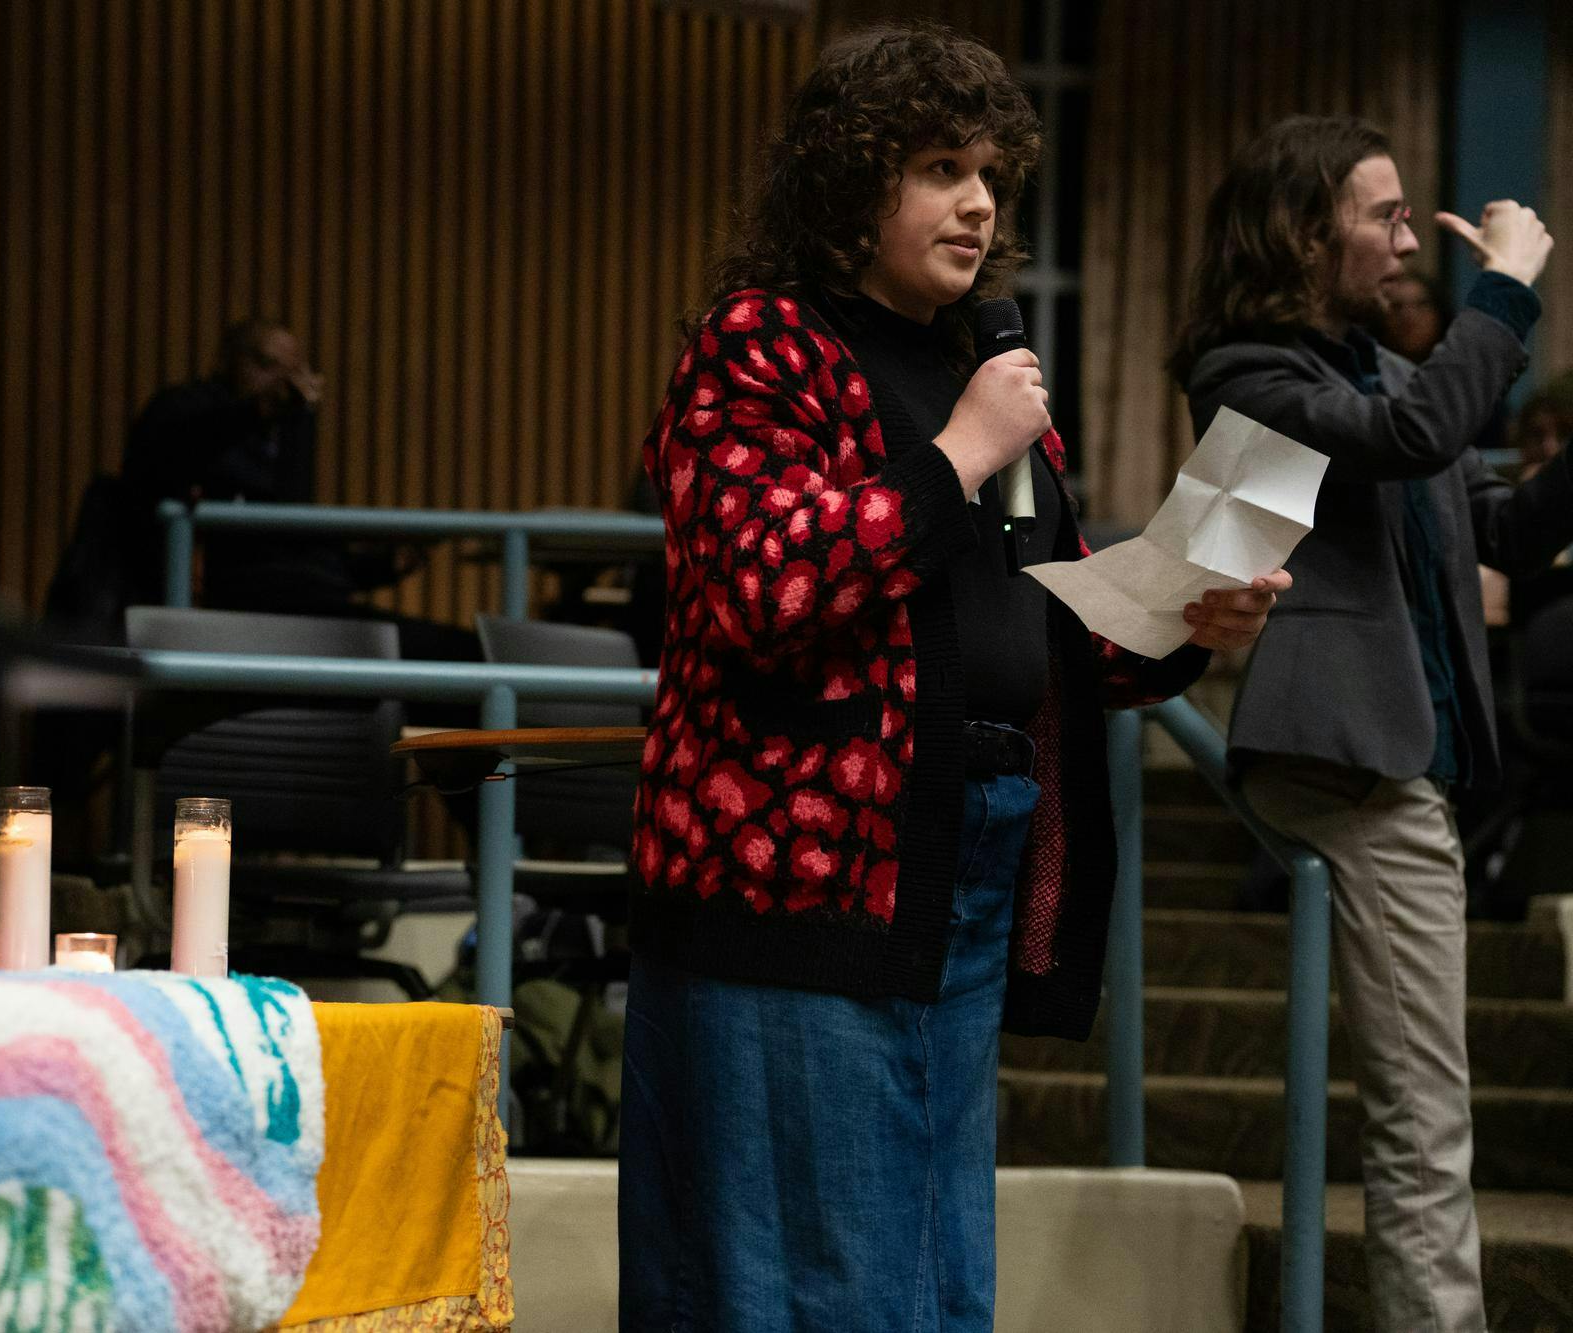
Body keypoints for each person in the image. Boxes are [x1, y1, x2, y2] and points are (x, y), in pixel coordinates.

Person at [620, 22, 1287, 1330]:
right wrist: (958, 452)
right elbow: (766, 589)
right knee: (813, 1285)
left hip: (957, 869)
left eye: (990, 173)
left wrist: (1191, 616)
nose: (978, 203)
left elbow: (1045, 611)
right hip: (795, 889)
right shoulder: (761, 345)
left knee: (928, 1280)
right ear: (847, 181)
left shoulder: (984, 375)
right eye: (938, 168)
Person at [1172, 114, 1572, 1333]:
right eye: (1384, 214)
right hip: (1345, 761)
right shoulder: (1247, 373)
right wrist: (1502, 285)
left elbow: (1502, 532)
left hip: (1410, 761)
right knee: (1423, 1116)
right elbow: (1412, 444)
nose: (1408, 238)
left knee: (1423, 1111)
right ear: (1306, 230)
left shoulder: (1393, 376)